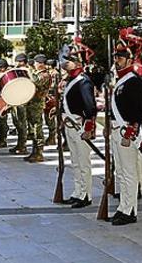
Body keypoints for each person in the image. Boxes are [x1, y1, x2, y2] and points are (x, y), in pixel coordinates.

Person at [108, 28, 142, 226]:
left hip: (127, 132)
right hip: (117, 130)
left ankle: (130, 209)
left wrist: (132, 130)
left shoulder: (134, 80)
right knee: (122, 173)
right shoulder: (122, 79)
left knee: (129, 173)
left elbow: (140, 109)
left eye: (121, 56)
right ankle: (123, 207)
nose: (117, 60)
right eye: (116, 56)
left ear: (130, 58)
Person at [59, 40, 97, 208]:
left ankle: (86, 194)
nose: (65, 62)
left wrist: (89, 128)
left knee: (83, 162)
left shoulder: (83, 82)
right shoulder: (70, 80)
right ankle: (77, 192)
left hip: (79, 126)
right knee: (75, 162)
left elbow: (90, 107)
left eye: (69, 60)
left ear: (78, 62)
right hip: (70, 125)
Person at [24, 54, 51, 163]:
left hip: (37, 104)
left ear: (40, 63)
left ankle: (39, 152)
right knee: (32, 128)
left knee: (37, 128)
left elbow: (36, 81)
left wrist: (29, 70)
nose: (33, 64)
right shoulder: (37, 73)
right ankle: (34, 152)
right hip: (32, 103)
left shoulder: (45, 75)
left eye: (35, 62)